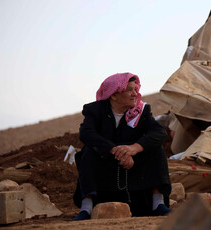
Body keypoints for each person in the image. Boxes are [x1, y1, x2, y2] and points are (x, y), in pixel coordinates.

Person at [72, 72, 172, 221]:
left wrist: (134, 149)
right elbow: (86, 133)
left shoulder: (142, 111)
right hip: (107, 164)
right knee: (88, 151)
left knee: (156, 149)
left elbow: (159, 132)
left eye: (136, 89)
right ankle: (87, 207)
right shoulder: (95, 110)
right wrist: (115, 150)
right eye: (130, 90)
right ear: (114, 95)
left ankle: (157, 204)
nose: (135, 94)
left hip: (134, 167)